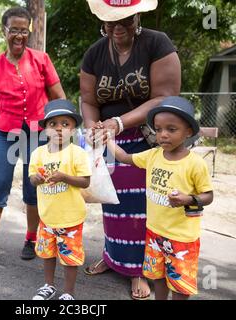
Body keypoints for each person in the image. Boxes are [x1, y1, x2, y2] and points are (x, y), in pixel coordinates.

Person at [80, 0, 181, 299]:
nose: (118, 27)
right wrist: (91, 127)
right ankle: (114, 258)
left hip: (148, 137)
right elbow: (88, 100)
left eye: (124, 19)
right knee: (111, 203)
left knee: (142, 208)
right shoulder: (95, 53)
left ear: (137, 16)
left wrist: (118, 123)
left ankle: (141, 268)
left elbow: (165, 96)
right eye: (111, 21)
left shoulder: (157, 43)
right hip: (108, 138)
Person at [0, 7, 66, 263]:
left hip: (38, 132)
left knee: (33, 185)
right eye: (14, 29)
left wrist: (62, 130)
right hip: (7, 132)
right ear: (4, 31)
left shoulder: (41, 60)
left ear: (29, 31)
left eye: (23, 30)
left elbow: (59, 97)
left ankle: (31, 238)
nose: (19, 35)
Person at [104, 96, 214, 300]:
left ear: (188, 131)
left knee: (180, 284)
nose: (163, 135)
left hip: (181, 239)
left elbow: (208, 196)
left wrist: (189, 199)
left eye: (171, 129)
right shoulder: (153, 155)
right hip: (154, 234)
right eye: (158, 129)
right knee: (159, 278)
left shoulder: (195, 164)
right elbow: (124, 157)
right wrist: (108, 140)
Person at [29, 99, 91, 300]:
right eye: (53, 124)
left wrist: (64, 176)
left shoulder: (77, 154)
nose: (59, 129)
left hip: (71, 218)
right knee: (47, 254)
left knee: (69, 258)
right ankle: (49, 285)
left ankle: (69, 292)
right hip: (47, 217)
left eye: (65, 124)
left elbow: (85, 182)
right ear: (45, 129)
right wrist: (36, 179)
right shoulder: (38, 153)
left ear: (73, 130)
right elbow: (32, 178)